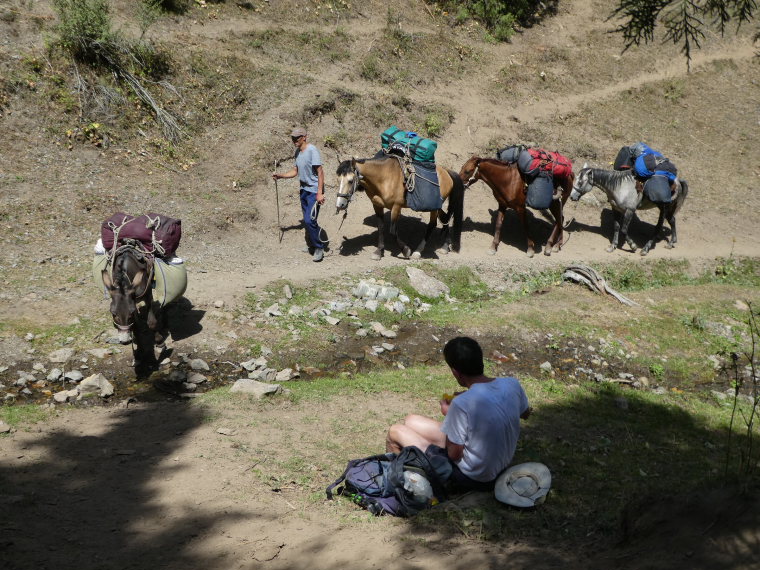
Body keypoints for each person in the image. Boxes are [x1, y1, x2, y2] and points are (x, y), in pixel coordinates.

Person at [386, 336, 532, 491]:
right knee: (411, 420)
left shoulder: (461, 404)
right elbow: (525, 414)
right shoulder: (511, 384)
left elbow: (454, 454)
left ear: (455, 372)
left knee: (395, 432)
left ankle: (398, 482)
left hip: (474, 477)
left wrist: (451, 415)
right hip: (500, 465)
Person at [272, 126, 326, 262]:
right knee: (308, 220)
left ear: (304, 137)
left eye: (297, 138)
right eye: (292, 138)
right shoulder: (298, 152)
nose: (294, 140)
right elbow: (295, 171)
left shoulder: (312, 150)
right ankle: (312, 245)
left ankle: (319, 247)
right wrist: (281, 176)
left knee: (309, 220)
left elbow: (320, 172)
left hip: (314, 191)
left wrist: (320, 193)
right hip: (304, 190)